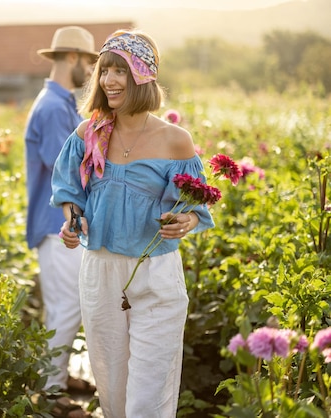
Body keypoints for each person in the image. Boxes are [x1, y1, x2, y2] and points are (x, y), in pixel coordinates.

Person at [51, 29, 215, 418]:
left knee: (148, 392)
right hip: (101, 271)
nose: (108, 80)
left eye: (119, 71)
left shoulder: (176, 141)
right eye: (104, 70)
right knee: (112, 387)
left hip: (155, 273)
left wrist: (186, 219)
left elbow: (197, 205)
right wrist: (72, 220)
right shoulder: (90, 133)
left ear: (142, 77)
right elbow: (67, 186)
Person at [24, 26, 98, 401]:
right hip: (57, 224)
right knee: (67, 305)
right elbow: (65, 172)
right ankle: (51, 393)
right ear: (72, 58)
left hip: (60, 224)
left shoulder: (60, 103)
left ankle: (59, 378)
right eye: (89, 61)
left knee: (67, 305)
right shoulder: (54, 108)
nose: (91, 70)